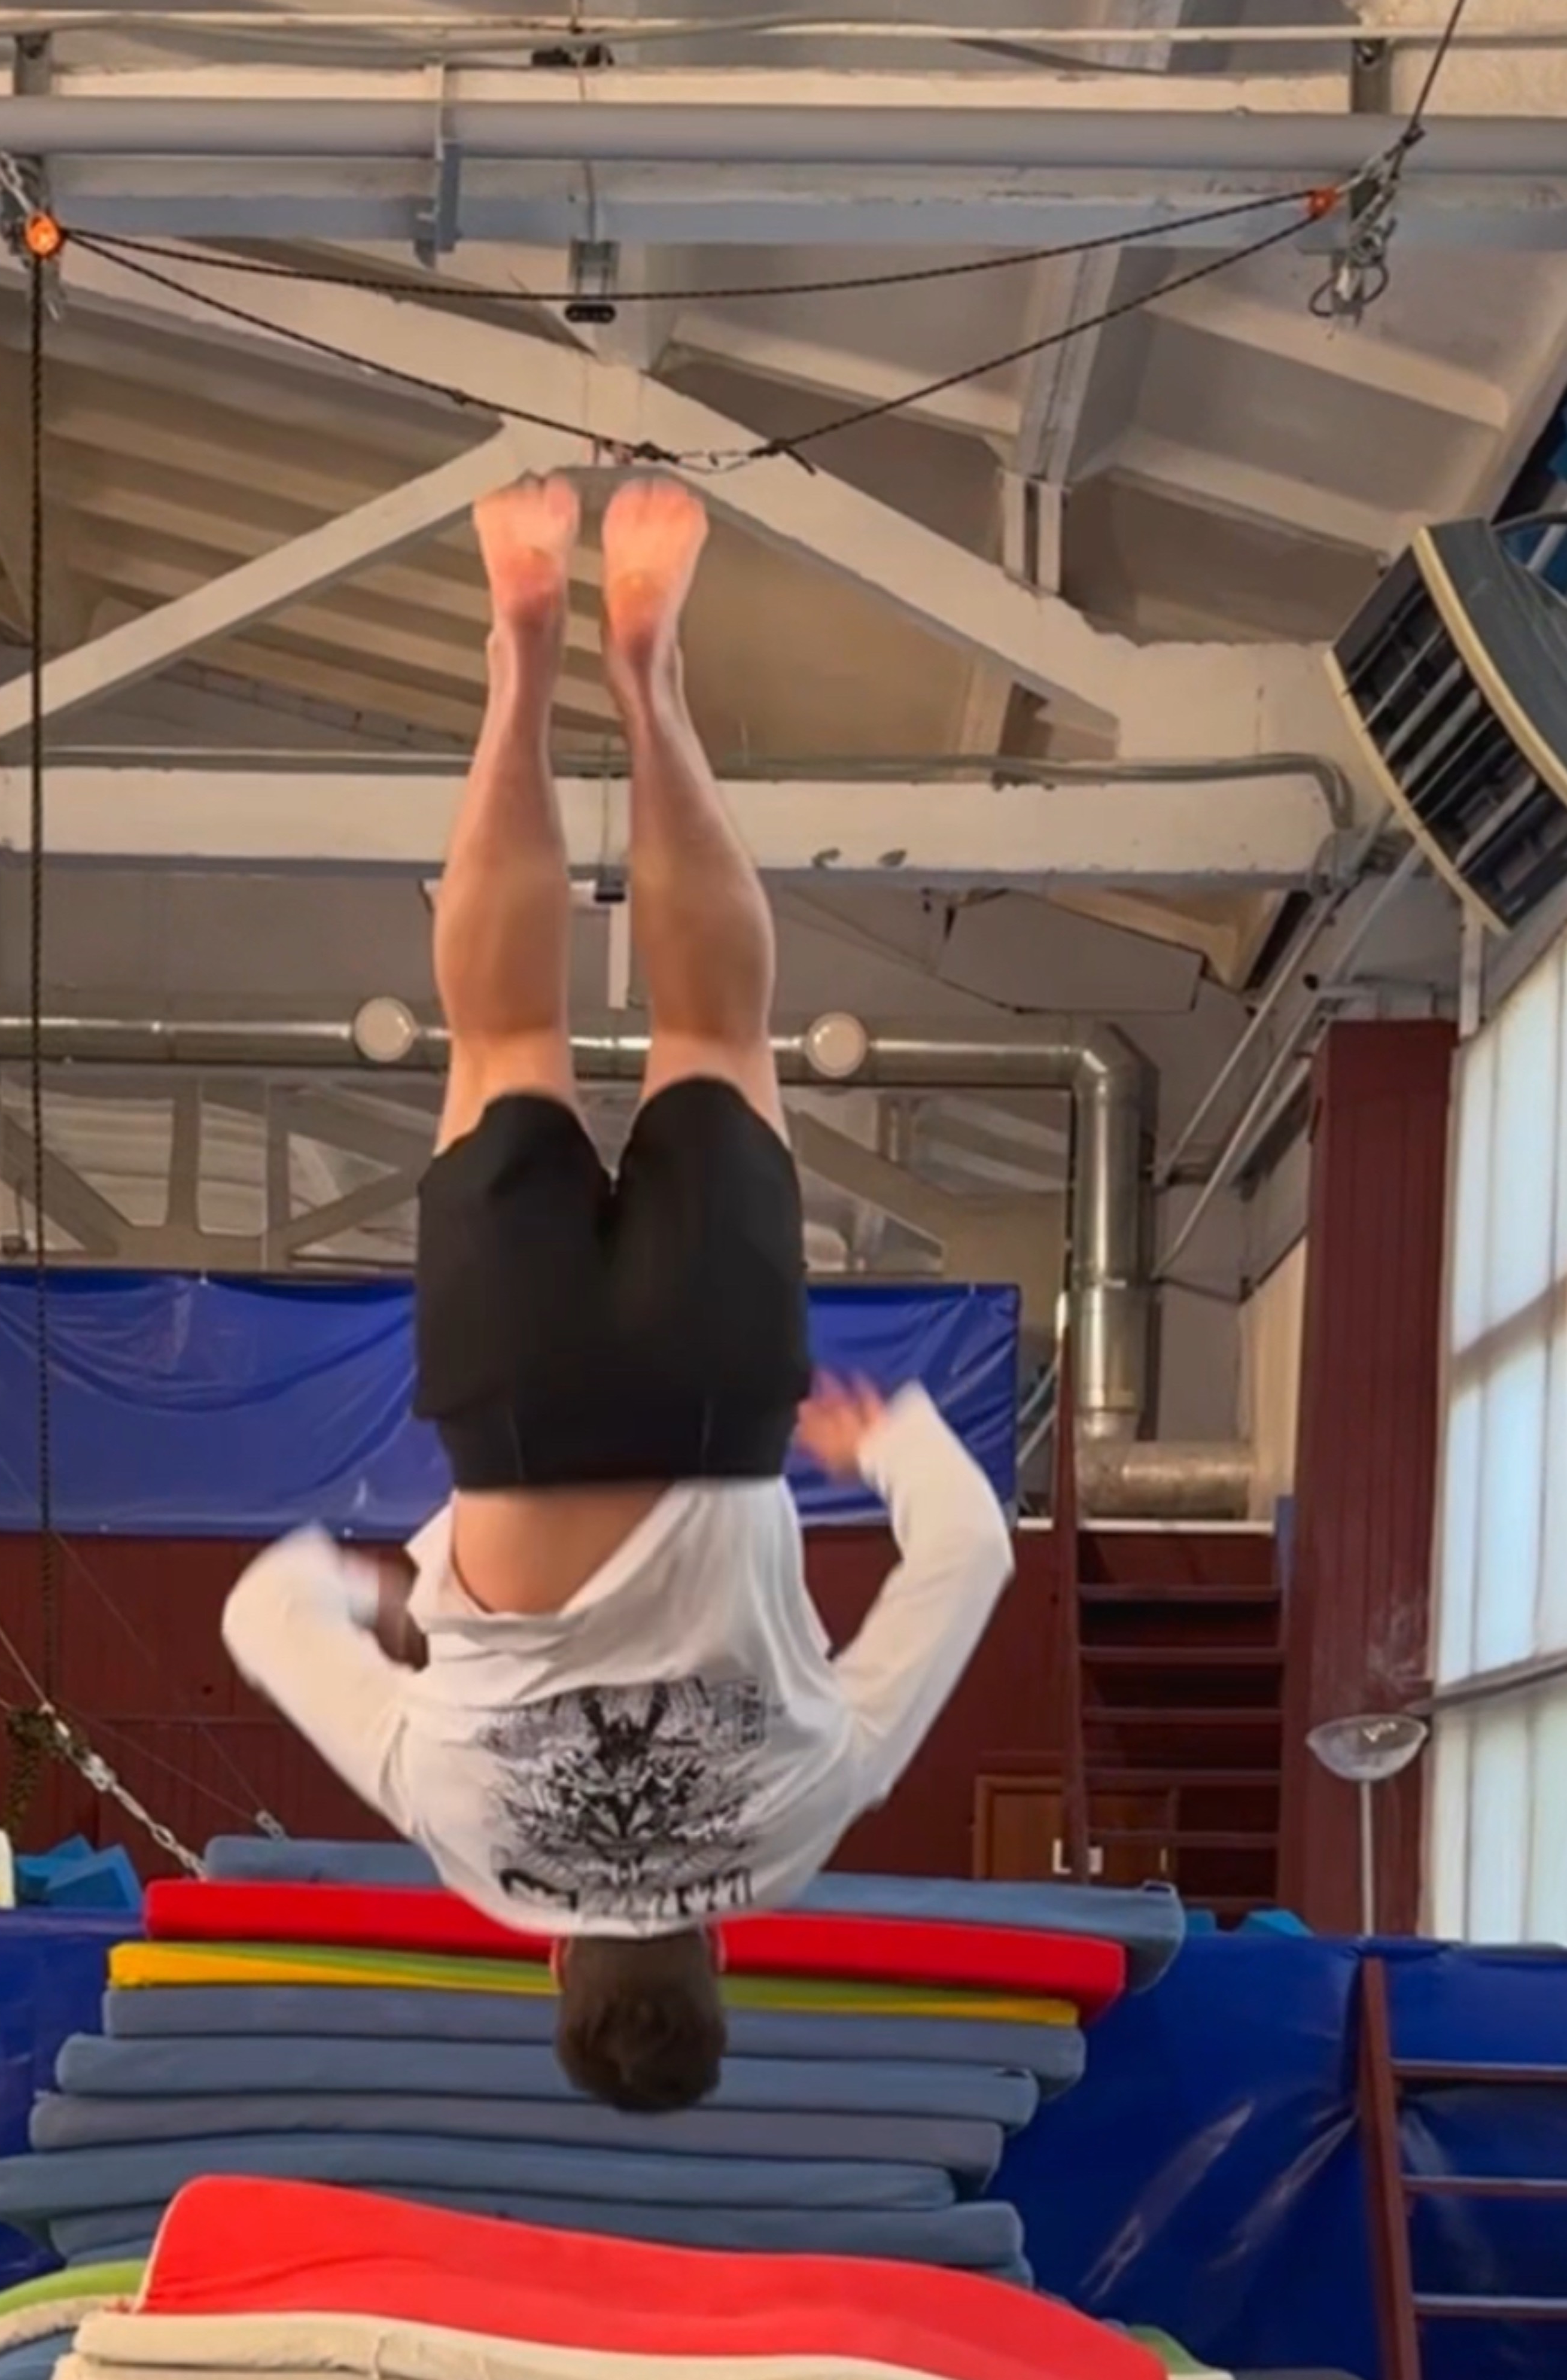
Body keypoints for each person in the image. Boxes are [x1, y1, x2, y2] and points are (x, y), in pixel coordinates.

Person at [224, 472, 1013, 2114]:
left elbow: (972, 1555)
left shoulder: (800, 1835)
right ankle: (520, 651)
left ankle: (649, 680)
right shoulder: (475, 1853)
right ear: (554, 1970)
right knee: (502, 1035)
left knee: (713, 1030)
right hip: (512, 1430)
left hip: (717, 1409)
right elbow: (261, 1615)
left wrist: (885, 1443)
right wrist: (380, 1590)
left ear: (720, 1956)